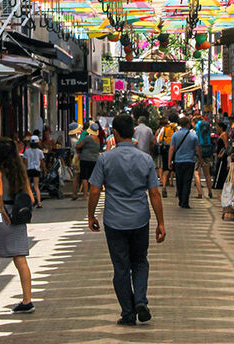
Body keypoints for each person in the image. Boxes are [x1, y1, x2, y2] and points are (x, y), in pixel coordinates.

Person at [87, 113, 166, 326]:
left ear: (114, 133)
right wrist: (160, 222)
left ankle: (128, 312)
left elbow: (94, 191)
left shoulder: (105, 159)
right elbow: (154, 193)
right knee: (140, 261)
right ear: (133, 134)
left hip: (114, 220)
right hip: (140, 218)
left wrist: (91, 215)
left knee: (121, 267)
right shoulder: (146, 159)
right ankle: (140, 299)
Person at [0, 137, 35, 314]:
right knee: (20, 257)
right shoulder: (20, 170)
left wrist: (1, 212)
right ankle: (27, 300)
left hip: (3, 218)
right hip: (18, 218)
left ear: (0, 153)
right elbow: (31, 197)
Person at [168, 116, 199, 208]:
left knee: (179, 180)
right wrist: (200, 159)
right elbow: (198, 148)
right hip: (190, 161)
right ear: (188, 124)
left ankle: (181, 199)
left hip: (178, 161)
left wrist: (169, 161)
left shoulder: (175, 135)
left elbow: (172, 148)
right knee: (187, 181)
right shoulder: (193, 135)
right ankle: (185, 201)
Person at [71, 122, 101, 200]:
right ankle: (91, 193)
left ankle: (85, 194)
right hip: (95, 160)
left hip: (85, 159)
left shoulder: (88, 138)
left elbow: (78, 145)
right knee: (92, 178)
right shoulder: (98, 139)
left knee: (84, 177)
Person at [155, 116, 178, 198]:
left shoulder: (164, 129)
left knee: (165, 169)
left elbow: (158, 140)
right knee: (176, 170)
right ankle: (177, 190)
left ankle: (164, 187)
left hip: (165, 150)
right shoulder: (176, 128)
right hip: (175, 150)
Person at [194, 116, 214, 199]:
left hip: (199, 151)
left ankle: (199, 192)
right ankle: (210, 191)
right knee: (207, 174)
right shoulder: (207, 125)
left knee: (196, 172)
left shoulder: (197, 126)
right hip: (207, 150)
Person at [24, 137, 46, 209]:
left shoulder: (27, 151)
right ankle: (39, 202)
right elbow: (42, 162)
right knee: (36, 187)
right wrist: (45, 169)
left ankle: (30, 202)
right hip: (36, 170)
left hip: (29, 170)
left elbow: (25, 162)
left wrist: (24, 170)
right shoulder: (40, 151)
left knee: (28, 187)